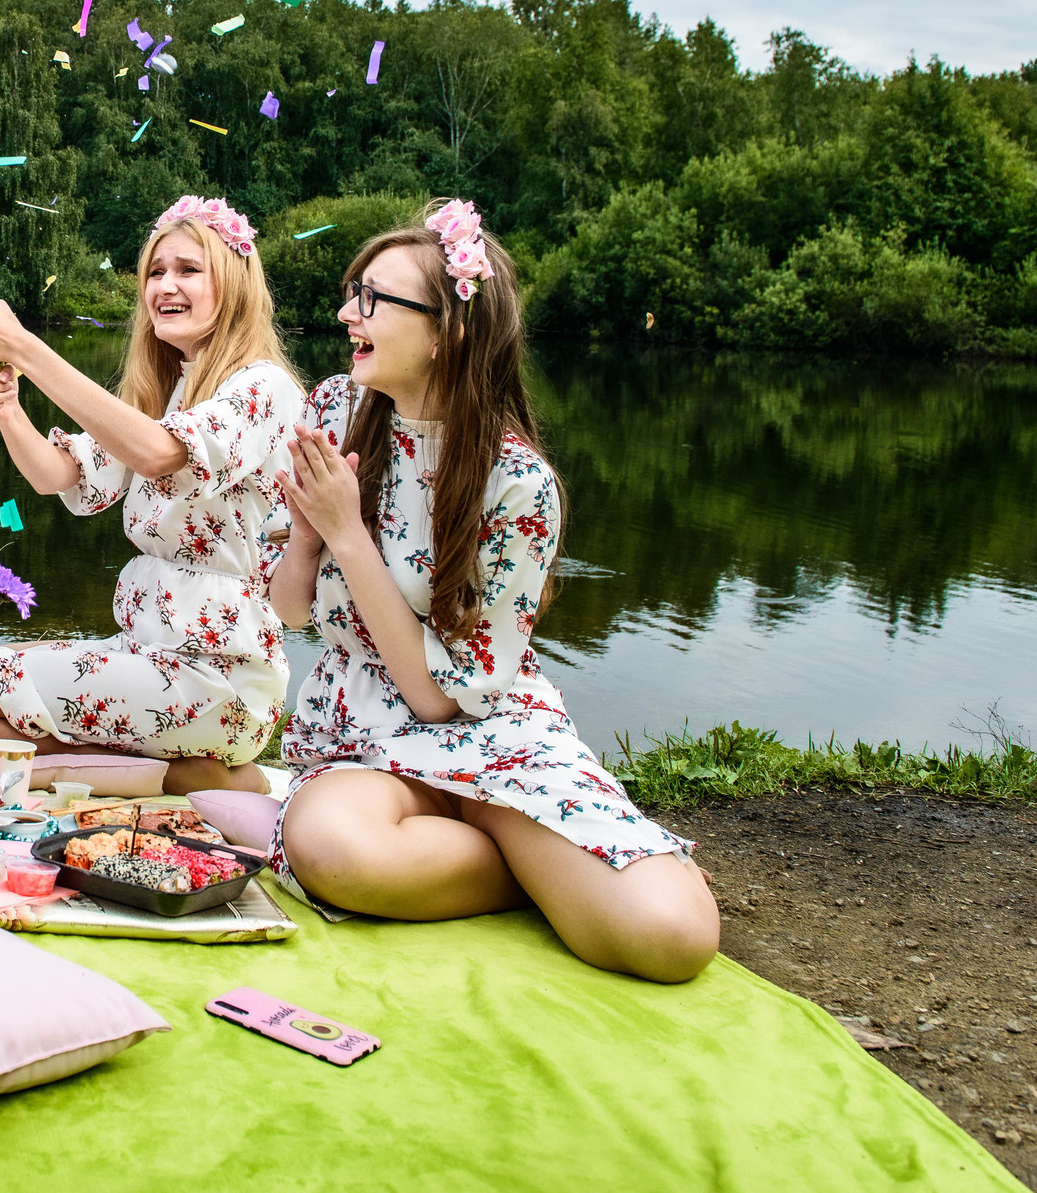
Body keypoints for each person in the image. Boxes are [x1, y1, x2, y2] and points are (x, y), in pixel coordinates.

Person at [265, 199, 719, 982]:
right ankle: (529, 865)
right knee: (331, 848)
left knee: (671, 935)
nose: (347, 313)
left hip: (488, 724)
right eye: (352, 291)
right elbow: (290, 610)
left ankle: (525, 835)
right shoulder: (336, 409)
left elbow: (442, 700)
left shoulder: (518, 484)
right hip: (363, 728)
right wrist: (310, 536)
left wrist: (348, 533)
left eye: (372, 297)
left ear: (446, 332)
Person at [0, 195, 304, 795]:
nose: (165, 286)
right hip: (149, 651)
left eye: (188, 269)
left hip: (218, 677)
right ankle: (182, 772)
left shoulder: (264, 387)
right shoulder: (167, 388)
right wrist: (8, 411)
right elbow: (58, 476)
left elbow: (160, 454)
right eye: (155, 272)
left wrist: (25, 347)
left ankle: (185, 768)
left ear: (233, 285)